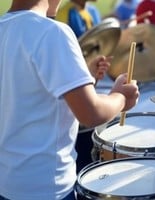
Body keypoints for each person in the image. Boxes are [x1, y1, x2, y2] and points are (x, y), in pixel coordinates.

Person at [0, 0, 139, 200]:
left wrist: (85, 76)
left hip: (7, 183)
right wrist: (122, 98)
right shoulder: (52, 32)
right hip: (46, 187)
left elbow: (25, 93)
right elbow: (91, 113)